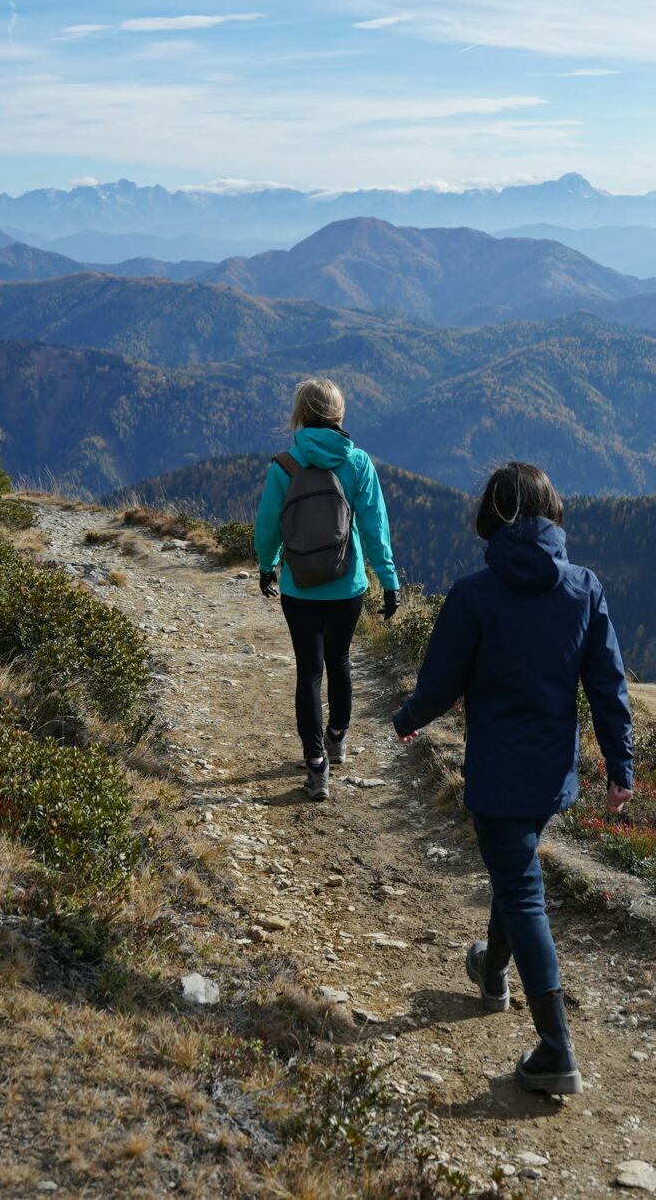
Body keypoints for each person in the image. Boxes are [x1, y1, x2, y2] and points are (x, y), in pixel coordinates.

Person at [392, 460, 633, 1097]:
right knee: (515, 869)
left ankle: (557, 1048)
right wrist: (620, 765)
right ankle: (492, 973)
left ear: (491, 515)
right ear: (551, 511)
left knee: (522, 891)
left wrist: (406, 719)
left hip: (497, 775)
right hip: (553, 775)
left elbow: (440, 683)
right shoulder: (585, 588)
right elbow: (607, 686)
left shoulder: (474, 595)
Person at [254, 377, 400, 802]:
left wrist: (268, 566)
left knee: (309, 672)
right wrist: (388, 581)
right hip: (348, 585)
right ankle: (337, 738)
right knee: (339, 661)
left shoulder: (285, 464)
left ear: (300, 413)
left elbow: (268, 524)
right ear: (339, 413)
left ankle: (316, 768)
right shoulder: (357, 463)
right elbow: (375, 527)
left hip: (300, 587)